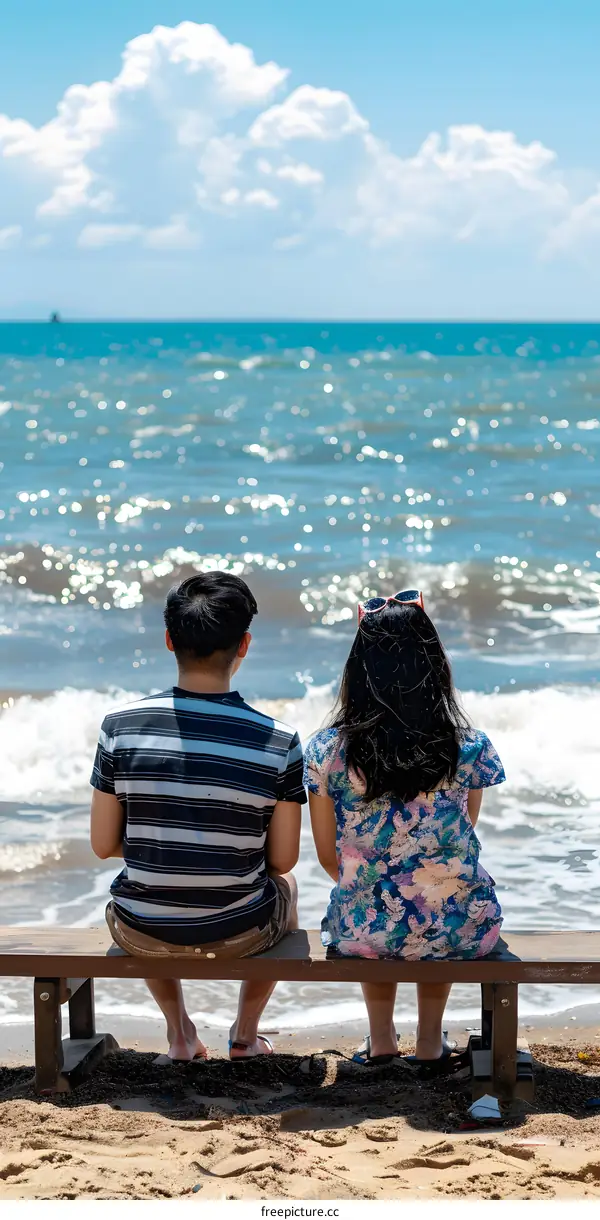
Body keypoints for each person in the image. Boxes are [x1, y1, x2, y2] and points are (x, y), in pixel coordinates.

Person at [90, 572, 305, 1062]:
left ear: (169, 639)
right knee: (288, 891)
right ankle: (246, 1034)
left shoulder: (119, 728)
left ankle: (180, 1033)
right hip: (241, 931)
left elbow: (103, 845)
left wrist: (162, 842)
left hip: (139, 930)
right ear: (244, 644)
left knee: (148, 887)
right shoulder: (278, 740)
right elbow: (283, 859)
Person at [304, 589, 505, 1067]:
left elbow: (328, 855)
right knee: (439, 901)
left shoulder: (328, 751)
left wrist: (376, 887)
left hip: (363, 931)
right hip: (461, 926)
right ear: (435, 667)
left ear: (358, 670)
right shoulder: (469, 747)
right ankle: (431, 1042)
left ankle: (381, 1042)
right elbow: (462, 831)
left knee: (372, 912)